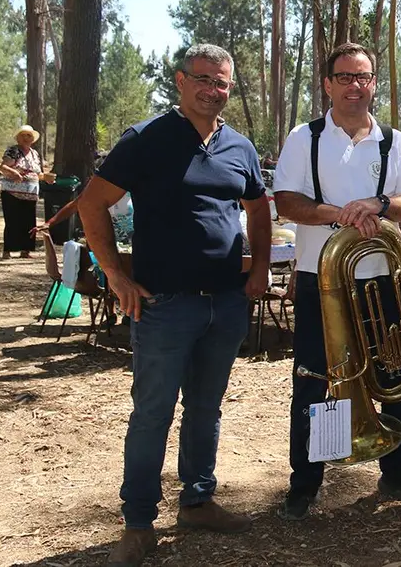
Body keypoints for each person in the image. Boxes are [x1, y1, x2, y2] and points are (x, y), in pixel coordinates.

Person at [78, 44, 271, 567]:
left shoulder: (239, 147)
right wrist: (114, 273)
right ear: (182, 81)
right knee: (153, 414)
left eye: (223, 83)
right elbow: (91, 202)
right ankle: (138, 523)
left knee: (205, 409)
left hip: (225, 303)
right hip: (164, 304)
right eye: (204, 79)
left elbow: (258, 209)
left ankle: (198, 500)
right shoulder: (146, 139)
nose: (214, 90)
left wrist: (257, 267)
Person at [272, 42, 401, 519]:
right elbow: (286, 201)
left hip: (381, 280)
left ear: (373, 84)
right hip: (318, 281)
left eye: (363, 77)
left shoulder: (392, 141)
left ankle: (398, 472)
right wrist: (341, 214)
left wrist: (378, 205)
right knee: (317, 379)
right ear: (327, 84)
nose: (354, 86)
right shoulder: (306, 137)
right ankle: (306, 482)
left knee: (397, 373)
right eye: (344, 77)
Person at [0, 124, 47, 258]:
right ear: (18, 138)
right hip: (11, 192)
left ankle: (25, 250)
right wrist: (14, 172)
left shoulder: (35, 154)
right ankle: (7, 250)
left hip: (30, 195)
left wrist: (46, 178)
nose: (26, 138)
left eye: (29, 136)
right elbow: (3, 167)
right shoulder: (13, 151)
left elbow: (37, 173)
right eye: (23, 135)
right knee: (12, 221)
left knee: (28, 221)